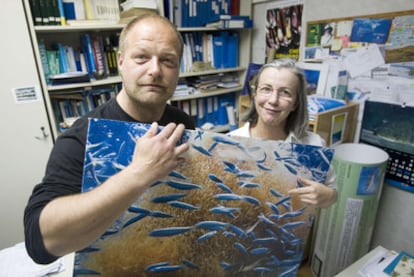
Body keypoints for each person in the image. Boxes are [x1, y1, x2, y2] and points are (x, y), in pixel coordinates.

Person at [24, 14, 195, 264]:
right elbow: (40, 243)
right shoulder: (80, 137)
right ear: (122, 62)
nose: (155, 70)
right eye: (142, 57)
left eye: (168, 60)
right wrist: (139, 173)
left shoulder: (182, 124)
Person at [229, 58, 337, 208]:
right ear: (254, 94)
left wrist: (329, 196)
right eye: (266, 89)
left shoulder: (313, 145)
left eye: (285, 92)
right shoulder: (230, 142)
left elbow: (331, 191)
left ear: (295, 103)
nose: (273, 100)